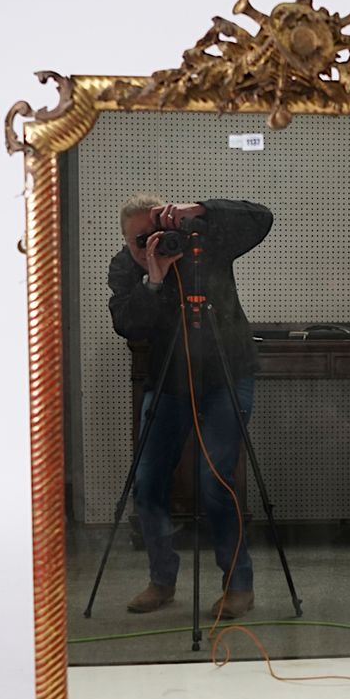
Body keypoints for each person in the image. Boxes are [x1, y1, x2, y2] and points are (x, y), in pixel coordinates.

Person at [108, 195, 273, 616]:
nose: (151, 245)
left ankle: (239, 586)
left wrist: (198, 210)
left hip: (226, 373)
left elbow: (261, 219)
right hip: (169, 381)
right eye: (140, 240)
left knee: (215, 480)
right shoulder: (126, 267)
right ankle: (161, 581)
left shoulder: (204, 245)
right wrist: (154, 280)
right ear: (126, 240)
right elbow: (128, 323)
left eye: (159, 233)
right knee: (147, 483)